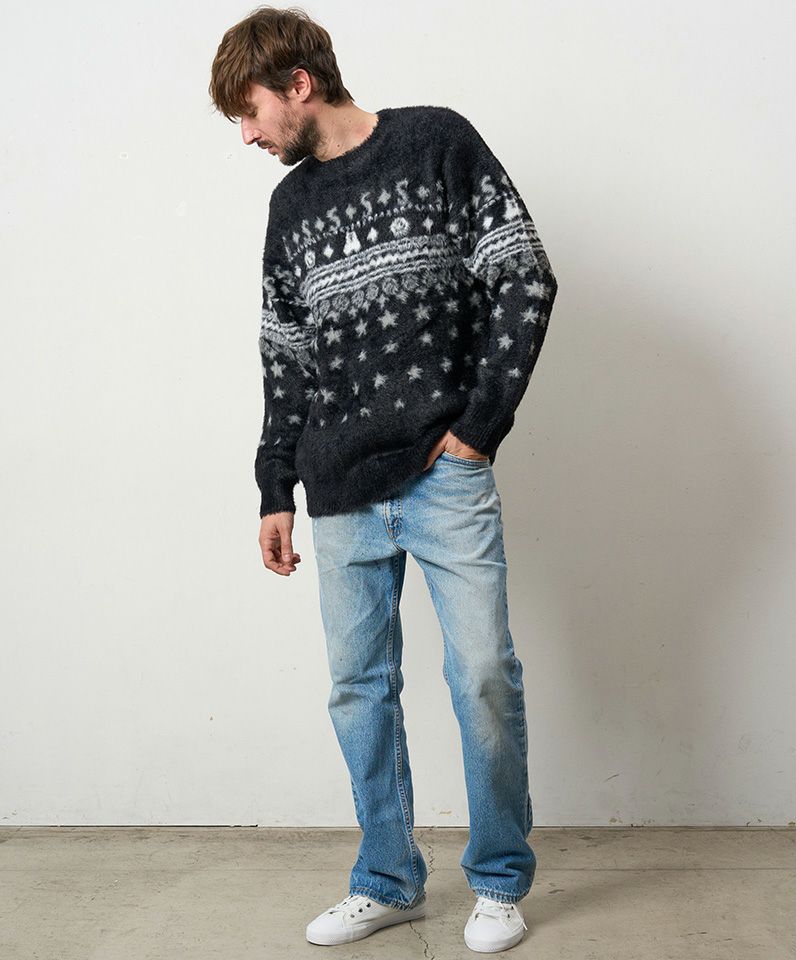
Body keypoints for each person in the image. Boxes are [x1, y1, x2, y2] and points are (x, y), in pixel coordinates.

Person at [209, 6, 558, 953]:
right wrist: (275, 489)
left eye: (249, 112)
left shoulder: (437, 142)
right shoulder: (290, 209)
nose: (246, 137)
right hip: (339, 492)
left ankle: (498, 881)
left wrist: (478, 431)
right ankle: (388, 878)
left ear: (299, 84)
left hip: (445, 475)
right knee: (358, 690)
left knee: (482, 675)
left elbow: (524, 277)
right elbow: (286, 360)